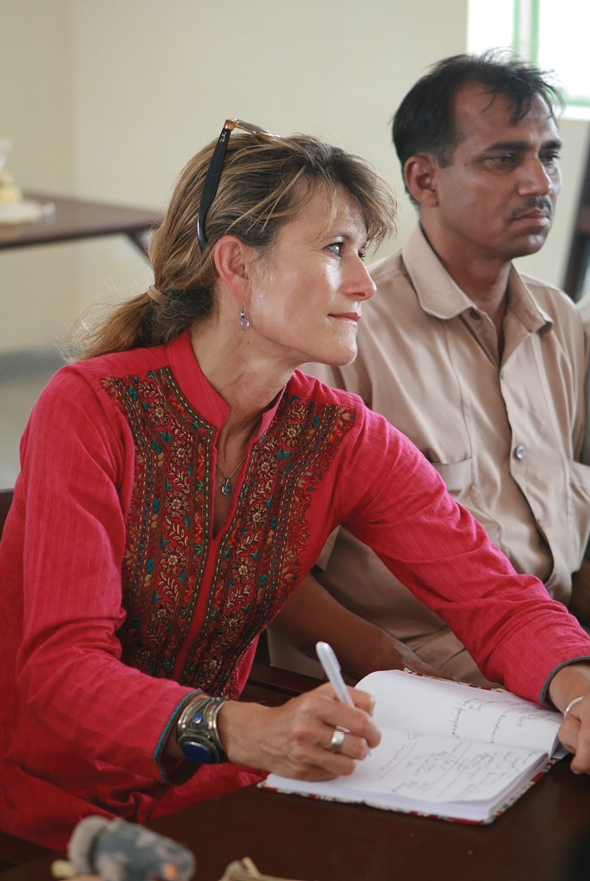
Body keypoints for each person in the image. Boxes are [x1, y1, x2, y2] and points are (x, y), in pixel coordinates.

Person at [1, 120, 590, 853]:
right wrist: (236, 726)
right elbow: (60, 670)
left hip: (212, 792)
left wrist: (577, 680)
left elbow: (493, 596)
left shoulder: (341, 436)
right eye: (336, 249)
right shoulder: (90, 408)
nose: (367, 282)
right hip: (43, 804)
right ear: (237, 266)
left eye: (364, 253)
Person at [268, 51, 590, 686]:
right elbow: (273, 577)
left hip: (546, 653)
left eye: (547, 155)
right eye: (504, 158)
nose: (540, 183)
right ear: (424, 181)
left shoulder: (562, 325)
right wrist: (408, 677)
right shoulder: (345, 337)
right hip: (421, 677)